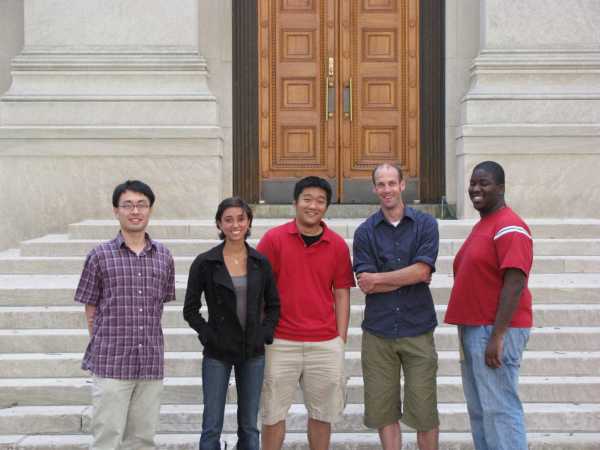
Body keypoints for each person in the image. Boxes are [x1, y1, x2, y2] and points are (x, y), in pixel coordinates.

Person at [74, 180, 175, 450]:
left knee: (142, 439)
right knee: (107, 437)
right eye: (127, 205)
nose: (135, 211)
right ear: (115, 211)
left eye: (142, 205)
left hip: (150, 362)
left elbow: (160, 304)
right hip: (111, 363)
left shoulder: (164, 256)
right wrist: (103, 342)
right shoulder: (99, 256)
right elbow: (90, 306)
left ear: (150, 210)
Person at [257, 176, 355, 450]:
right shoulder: (274, 239)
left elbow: (342, 292)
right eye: (307, 199)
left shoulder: (336, 245)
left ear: (326, 206)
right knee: (273, 413)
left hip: (324, 343)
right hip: (280, 341)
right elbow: (258, 288)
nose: (313, 206)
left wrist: (340, 339)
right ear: (295, 203)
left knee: (322, 415)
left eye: (320, 201)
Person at [445, 161, 533, 450]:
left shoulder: (510, 226)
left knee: (499, 409)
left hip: (493, 330)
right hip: (474, 328)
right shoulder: (486, 224)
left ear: (501, 188)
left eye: (484, 183)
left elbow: (515, 282)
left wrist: (497, 335)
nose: (475, 189)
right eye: (472, 183)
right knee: (482, 410)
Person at [353, 163, 440, 450]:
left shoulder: (426, 225)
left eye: (392, 183)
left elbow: (423, 273)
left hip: (418, 329)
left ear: (403, 185)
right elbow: (365, 283)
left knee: (425, 412)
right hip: (378, 333)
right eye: (381, 184)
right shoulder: (365, 231)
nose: (387, 189)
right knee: (383, 409)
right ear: (375, 188)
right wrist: (408, 276)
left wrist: (380, 278)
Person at [183, 196, 280, 450]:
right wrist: (208, 335)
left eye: (241, 219)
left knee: (249, 425)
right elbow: (190, 309)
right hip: (217, 351)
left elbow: (274, 305)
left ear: (249, 222)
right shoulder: (205, 262)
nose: (235, 225)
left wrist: (264, 333)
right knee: (211, 424)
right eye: (228, 219)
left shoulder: (260, 262)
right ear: (219, 224)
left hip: (253, 351)